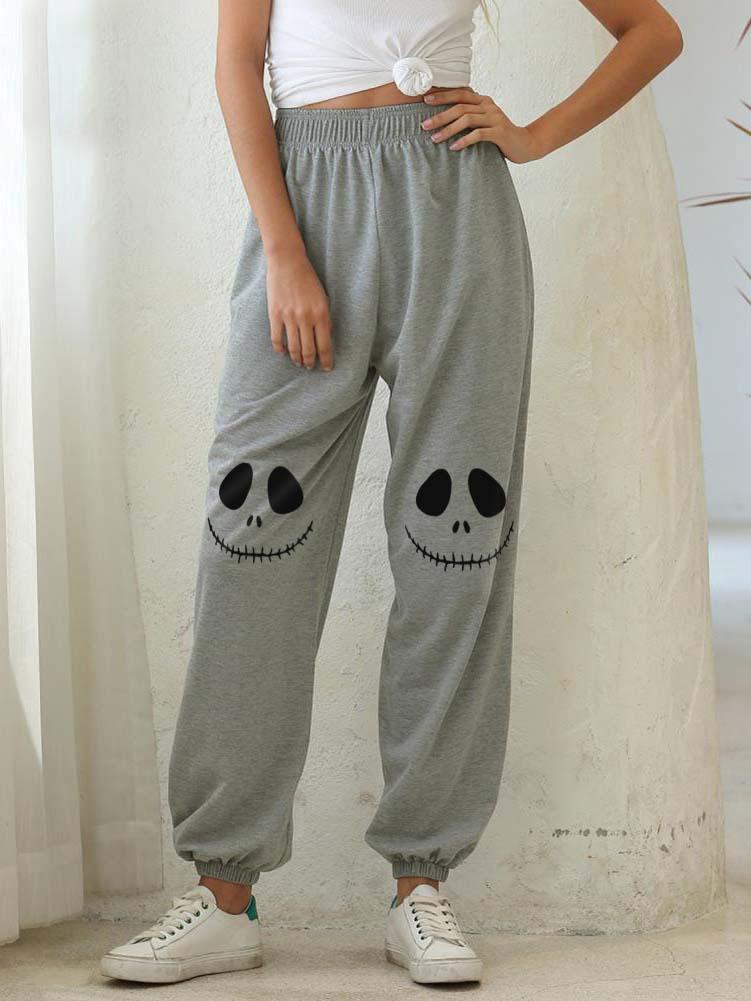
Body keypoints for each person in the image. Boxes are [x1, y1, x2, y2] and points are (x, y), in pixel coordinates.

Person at [100, 0, 683, 986]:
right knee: (250, 549)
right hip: (307, 203)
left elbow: (652, 31)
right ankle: (224, 892)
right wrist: (284, 251)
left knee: (455, 555)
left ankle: (422, 884)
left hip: (457, 214)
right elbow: (238, 64)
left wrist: (532, 136)